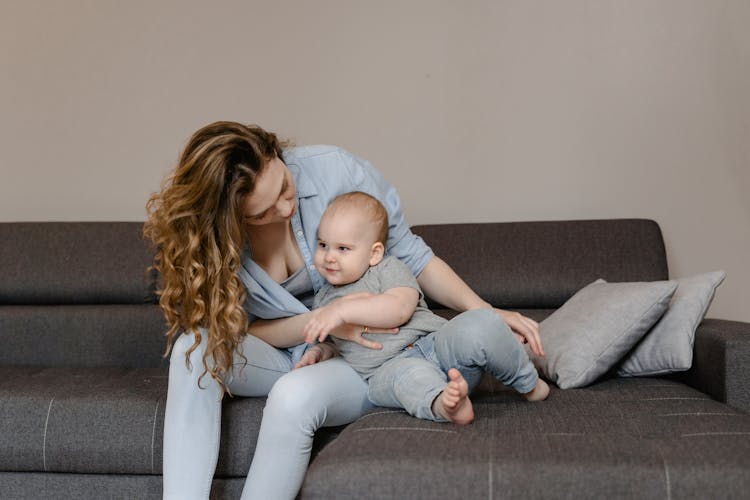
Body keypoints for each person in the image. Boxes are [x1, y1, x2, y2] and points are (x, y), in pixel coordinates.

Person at [144, 121, 545, 500]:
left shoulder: (332, 171)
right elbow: (236, 332)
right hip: (291, 349)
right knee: (193, 350)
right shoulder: (210, 244)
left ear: (276, 153)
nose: (285, 210)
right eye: (261, 213)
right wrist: (325, 322)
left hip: (360, 361)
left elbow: (412, 258)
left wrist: (487, 311)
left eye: (284, 187)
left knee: (294, 396)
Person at [300, 192, 549, 424]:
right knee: (407, 380)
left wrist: (343, 310)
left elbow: (399, 309)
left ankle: (528, 383)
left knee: (480, 321)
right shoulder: (324, 300)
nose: (329, 256)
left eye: (342, 248)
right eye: (323, 245)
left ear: (374, 253)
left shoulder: (387, 269)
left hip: (436, 344)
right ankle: (446, 404)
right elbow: (339, 343)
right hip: (388, 367)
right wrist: (321, 351)